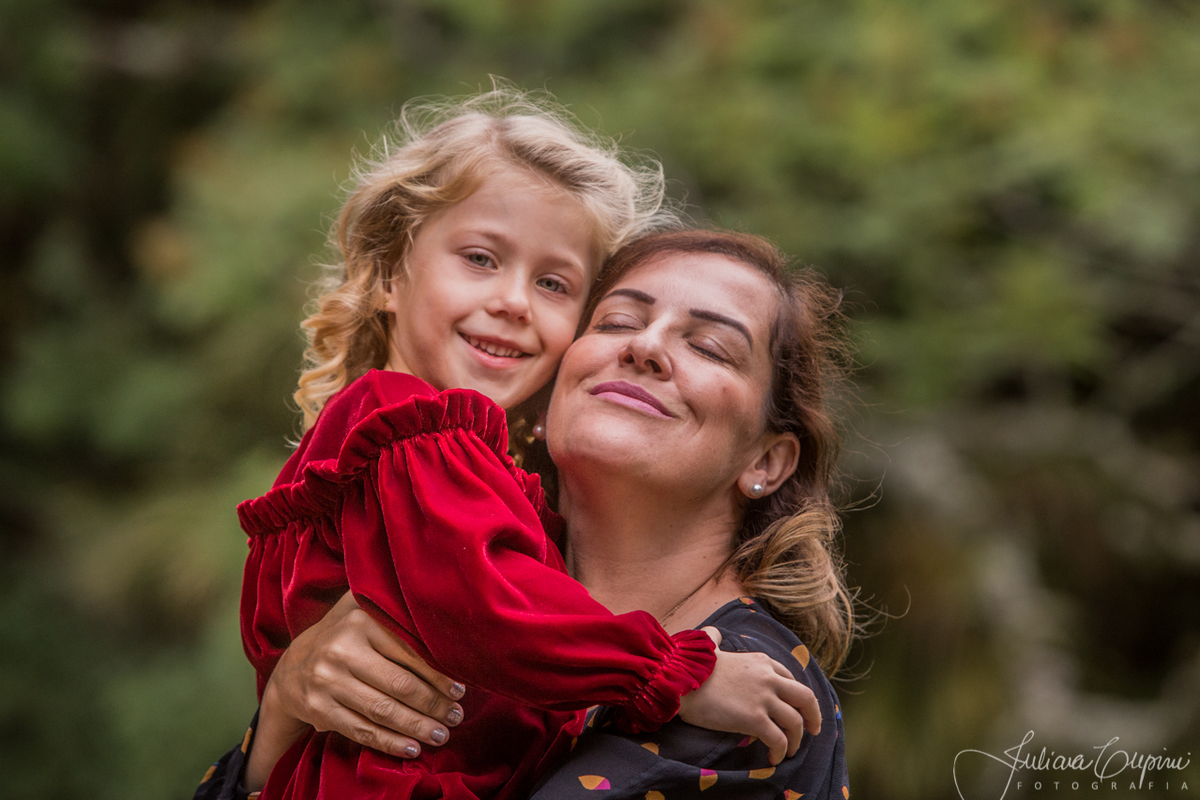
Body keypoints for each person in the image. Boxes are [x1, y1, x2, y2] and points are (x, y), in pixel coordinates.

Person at [200, 88, 820, 800]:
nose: (514, 302)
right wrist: (673, 674)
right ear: (390, 275)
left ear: (768, 458)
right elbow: (488, 609)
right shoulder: (413, 437)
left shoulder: (760, 687)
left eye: (554, 284)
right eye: (479, 258)